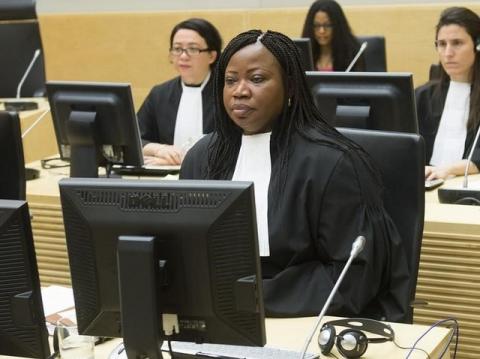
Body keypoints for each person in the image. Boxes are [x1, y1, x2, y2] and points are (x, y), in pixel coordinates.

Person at [180, 29, 410, 322]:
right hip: (220, 319)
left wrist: (252, 298)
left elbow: (353, 275)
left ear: (290, 87)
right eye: (230, 80)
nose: (240, 90)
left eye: (257, 78)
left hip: (310, 320)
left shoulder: (334, 163)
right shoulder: (203, 158)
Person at [137, 18, 222, 165]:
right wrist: (159, 149)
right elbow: (135, 139)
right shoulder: (160, 94)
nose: (183, 56)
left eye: (193, 49)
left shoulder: (226, 93)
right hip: (166, 178)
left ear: (212, 56)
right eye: (177, 49)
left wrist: (182, 161)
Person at [415, 7, 480, 180]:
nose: (448, 53)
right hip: (426, 184)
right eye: (442, 44)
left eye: (457, 43)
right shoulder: (422, 96)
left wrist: (447, 170)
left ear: (478, 45)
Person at [301, 0, 365, 71]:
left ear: (338, 26)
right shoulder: (302, 55)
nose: (321, 31)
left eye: (327, 25)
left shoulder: (352, 55)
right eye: (316, 25)